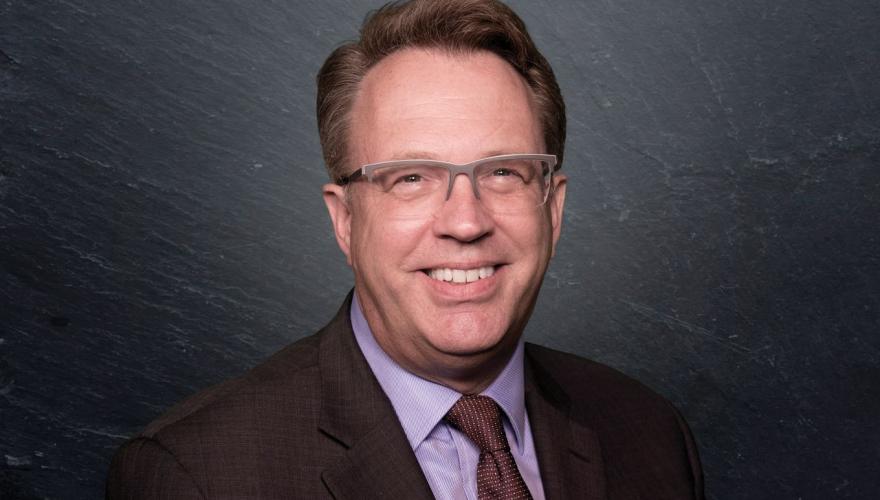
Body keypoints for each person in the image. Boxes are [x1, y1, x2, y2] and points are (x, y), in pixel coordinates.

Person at [106, 0, 704, 498]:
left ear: (552, 209)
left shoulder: (649, 436)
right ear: (344, 221)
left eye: (504, 172)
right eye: (411, 177)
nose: (465, 223)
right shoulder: (196, 475)